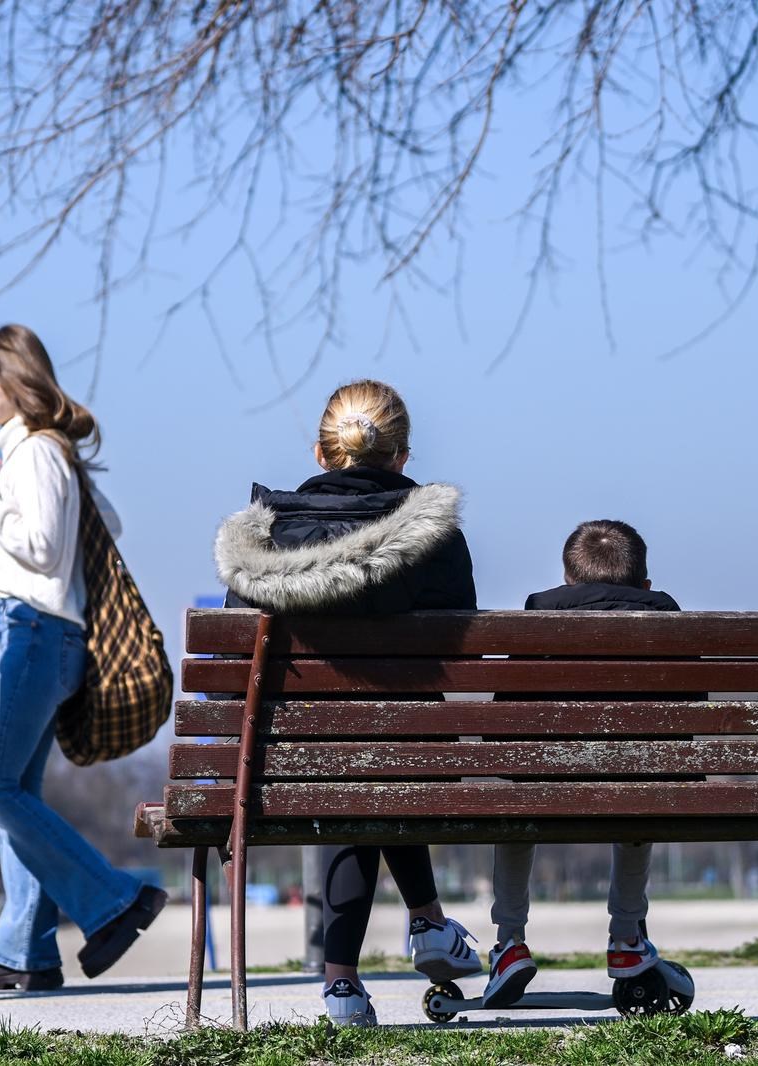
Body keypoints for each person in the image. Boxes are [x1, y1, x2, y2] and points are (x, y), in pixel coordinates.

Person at [214, 379, 484, 1026]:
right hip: (414, 746)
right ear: (402, 457)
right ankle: (428, 923)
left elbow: (230, 650)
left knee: (347, 755)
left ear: (318, 452)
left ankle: (344, 984)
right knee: (379, 746)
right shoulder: (436, 534)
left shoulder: (268, 538)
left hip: (296, 754)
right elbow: (464, 634)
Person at [0, 324, 166, 992]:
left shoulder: (36, 453)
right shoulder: (52, 453)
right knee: (16, 790)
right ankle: (27, 949)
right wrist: (1, 555)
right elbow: (96, 527)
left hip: (35, 634)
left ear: (16, 379)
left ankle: (114, 899)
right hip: (45, 632)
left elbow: (44, 549)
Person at [483, 520, 685, 1007]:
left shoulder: (539, 615)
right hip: (637, 778)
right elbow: (686, 710)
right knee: (642, 788)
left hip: (545, 777)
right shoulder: (666, 616)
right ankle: (626, 938)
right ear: (645, 585)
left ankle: (509, 942)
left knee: (517, 803)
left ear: (568, 579)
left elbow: (504, 713)